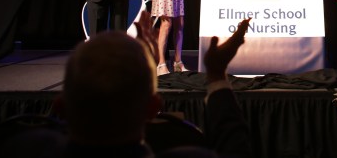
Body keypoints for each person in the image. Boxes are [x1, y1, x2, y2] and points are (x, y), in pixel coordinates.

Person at [51, 11, 252, 158]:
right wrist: (216, 74)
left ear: (60, 107)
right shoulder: (191, 155)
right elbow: (235, 146)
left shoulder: (32, 147)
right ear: (154, 108)